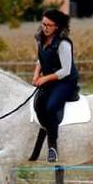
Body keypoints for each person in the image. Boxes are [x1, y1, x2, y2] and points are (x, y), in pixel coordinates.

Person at [32, 9, 79, 162]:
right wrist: (36, 75)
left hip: (65, 82)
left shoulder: (64, 43)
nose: (45, 27)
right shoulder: (40, 38)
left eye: (49, 25)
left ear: (57, 27)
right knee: (38, 104)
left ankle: (53, 147)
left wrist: (44, 79)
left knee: (51, 107)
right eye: (43, 23)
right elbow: (41, 59)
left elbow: (65, 70)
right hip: (49, 80)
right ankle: (39, 142)